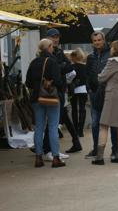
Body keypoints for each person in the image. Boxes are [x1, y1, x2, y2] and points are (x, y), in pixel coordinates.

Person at [92, 41, 118, 165]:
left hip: (112, 95)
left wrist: (99, 74)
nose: (110, 49)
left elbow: (101, 78)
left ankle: (99, 157)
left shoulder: (112, 62)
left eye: (112, 47)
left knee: (104, 125)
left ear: (116, 50)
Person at [25, 39, 65, 168]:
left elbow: (28, 83)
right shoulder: (52, 62)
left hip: (37, 99)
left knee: (39, 128)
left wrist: (38, 86)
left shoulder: (34, 62)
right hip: (51, 98)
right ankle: (55, 158)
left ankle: (38, 158)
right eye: (52, 46)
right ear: (48, 47)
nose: (53, 48)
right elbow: (58, 82)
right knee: (53, 127)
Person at [45, 28, 78, 157]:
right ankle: (49, 150)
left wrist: (61, 67)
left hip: (60, 90)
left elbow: (69, 66)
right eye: (53, 37)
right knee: (52, 123)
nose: (56, 39)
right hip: (50, 91)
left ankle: (48, 149)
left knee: (55, 122)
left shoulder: (59, 52)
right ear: (47, 38)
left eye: (57, 37)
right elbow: (52, 70)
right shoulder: (45, 53)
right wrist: (61, 67)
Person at [86, 31, 118, 159]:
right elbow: (87, 75)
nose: (97, 42)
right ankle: (96, 150)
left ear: (103, 40)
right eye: (94, 41)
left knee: (113, 124)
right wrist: (89, 89)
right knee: (95, 124)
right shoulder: (90, 57)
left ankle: (115, 150)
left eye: (99, 40)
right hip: (95, 95)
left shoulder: (111, 54)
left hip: (109, 94)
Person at [68, 48, 88, 141]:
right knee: (82, 109)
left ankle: (75, 129)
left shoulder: (72, 66)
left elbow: (69, 79)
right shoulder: (85, 67)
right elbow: (85, 79)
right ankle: (81, 130)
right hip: (83, 89)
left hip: (73, 89)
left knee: (74, 109)